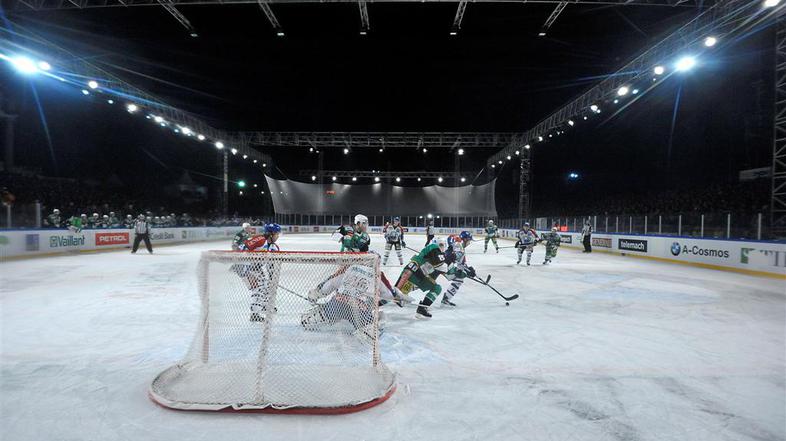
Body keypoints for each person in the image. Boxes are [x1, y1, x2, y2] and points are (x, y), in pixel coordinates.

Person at [395, 238, 448, 318]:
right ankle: (377, 302)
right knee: (397, 297)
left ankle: (422, 308)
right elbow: (409, 271)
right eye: (440, 245)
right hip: (414, 278)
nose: (441, 248)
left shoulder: (438, 258)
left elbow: (449, 274)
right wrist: (397, 289)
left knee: (437, 288)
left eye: (442, 245)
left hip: (423, 279)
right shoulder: (431, 251)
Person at [438, 231, 475, 307]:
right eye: (469, 240)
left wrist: (468, 269)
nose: (469, 242)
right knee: (460, 276)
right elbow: (457, 258)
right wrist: (467, 271)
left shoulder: (458, 244)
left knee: (459, 277)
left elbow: (460, 262)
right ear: (465, 239)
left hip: (442, 264)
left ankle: (446, 299)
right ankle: (446, 299)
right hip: (443, 265)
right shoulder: (459, 245)